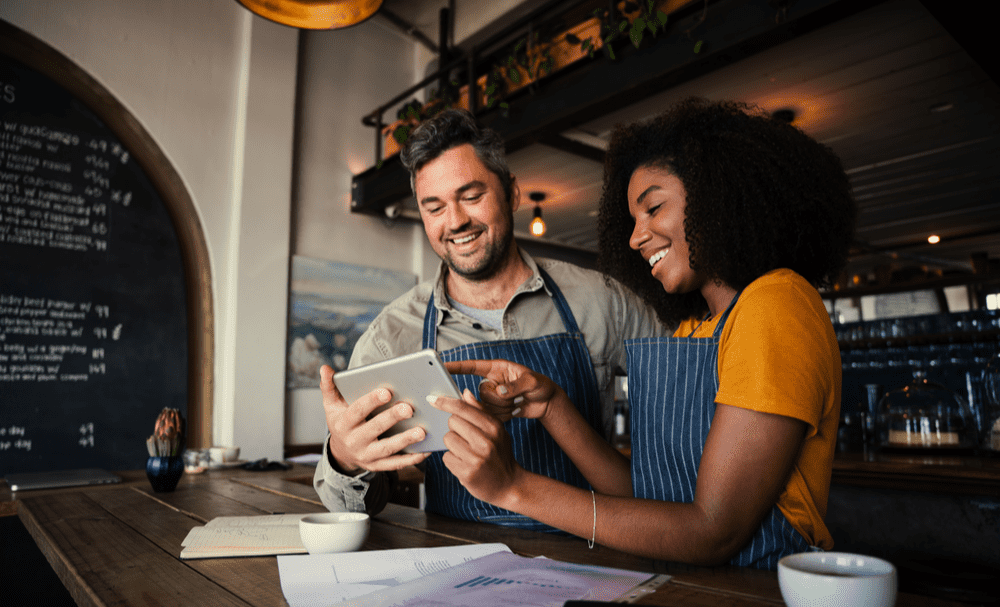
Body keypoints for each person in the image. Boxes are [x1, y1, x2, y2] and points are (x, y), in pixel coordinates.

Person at [430, 98, 856, 569]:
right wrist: (552, 405)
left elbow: (713, 530)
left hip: (759, 589)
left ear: (718, 195)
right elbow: (648, 500)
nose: (636, 237)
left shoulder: (777, 305)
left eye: (653, 208)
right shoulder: (699, 328)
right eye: (633, 220)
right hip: (690, 588)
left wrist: (512, 487)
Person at [313, 109, 668, 531]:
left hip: (599, 553)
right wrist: (346, 457)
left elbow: (686, 417)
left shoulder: (602, 300)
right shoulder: (393, 336)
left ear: (512, 193)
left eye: (471, 195)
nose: (455, 221)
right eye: (434, 207)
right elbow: (351, 511)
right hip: (456, 564)